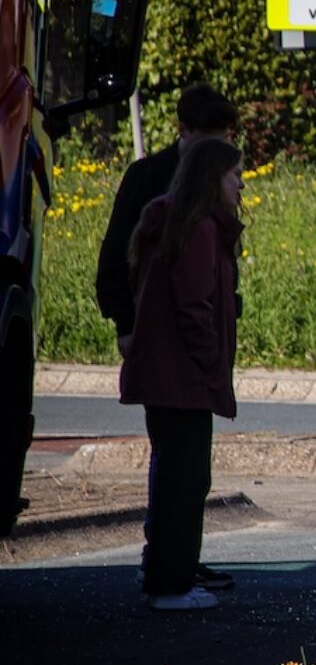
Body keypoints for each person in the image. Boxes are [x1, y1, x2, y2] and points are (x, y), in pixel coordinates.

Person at [94, 84, 238, 594]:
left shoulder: (203, 189)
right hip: (164, 344)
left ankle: (176, 560)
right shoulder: (152, 180)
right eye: (209, 136)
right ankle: (167, 564)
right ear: (185, 132)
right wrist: (126, 326)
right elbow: (118, 259)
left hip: (175, 346)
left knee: (185, 465)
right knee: (177, 462)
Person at [119, 139, 245, 611]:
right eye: (234, 174)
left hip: (164, 376)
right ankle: (172, 584)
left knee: (174, 476)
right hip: (184, 379)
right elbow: (195, 307)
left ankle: (163, 575)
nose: (240, 183)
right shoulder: (200, 230)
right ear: (212, 177)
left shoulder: (172, 221)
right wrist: (212, 363)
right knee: (187, 482)